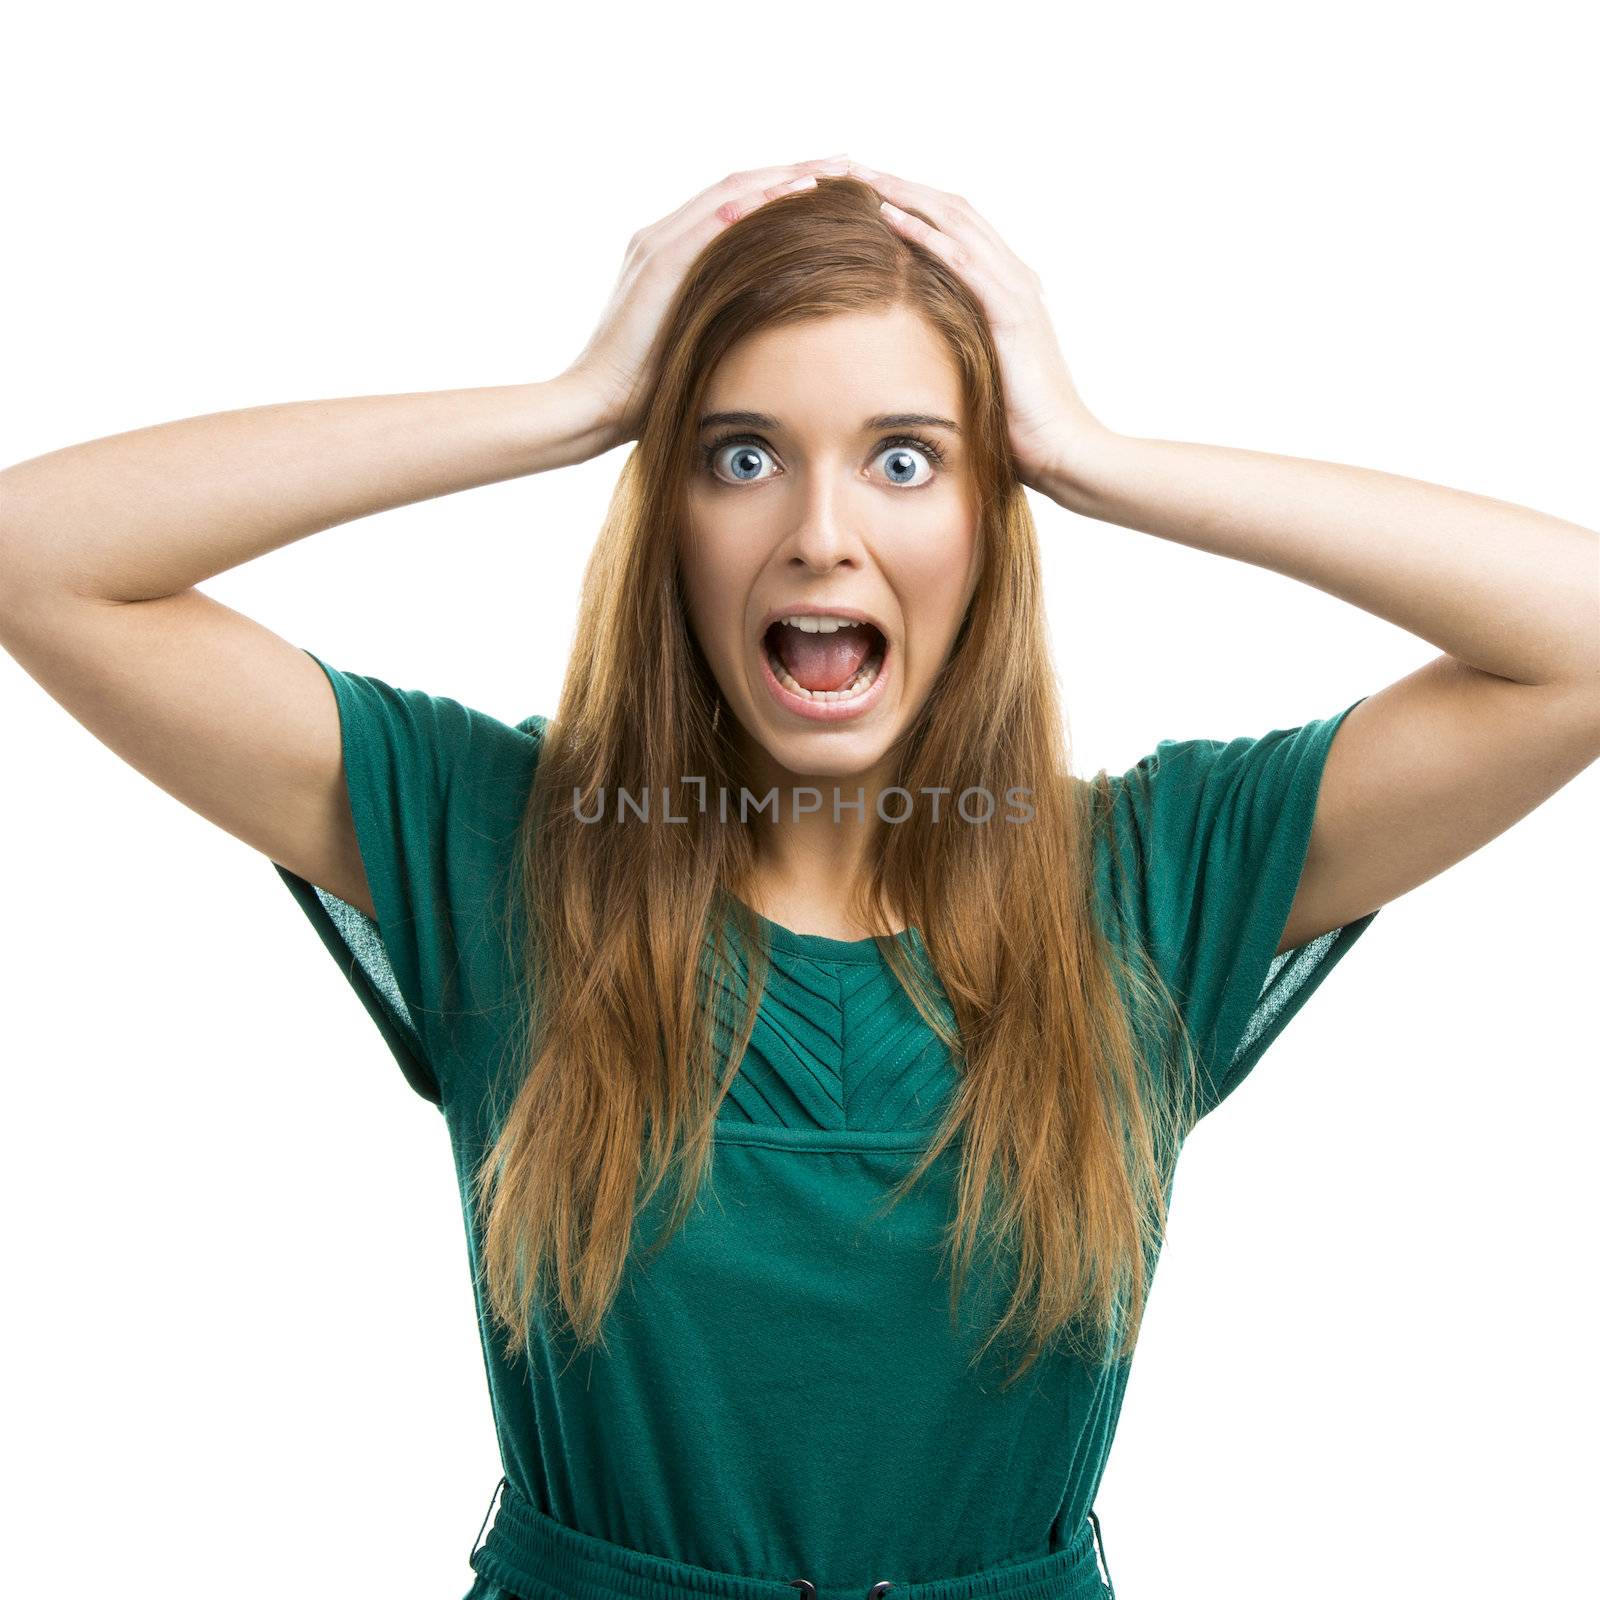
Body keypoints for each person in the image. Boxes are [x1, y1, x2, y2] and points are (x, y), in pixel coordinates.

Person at [2, 153, 1595, 1600]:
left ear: (991, 517)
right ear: (668, 511)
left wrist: (1095, 457)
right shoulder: (505, 850)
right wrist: (565, 407)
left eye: (907, 463)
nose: (823, 533)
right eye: (742, 454)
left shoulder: (1152, 880)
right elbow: (37, 556)